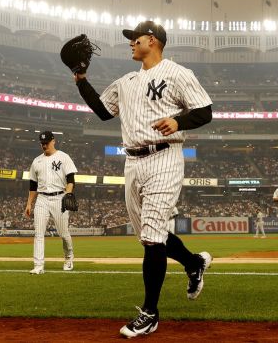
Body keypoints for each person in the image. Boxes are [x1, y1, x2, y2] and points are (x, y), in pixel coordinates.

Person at [73, 20, 214, 338]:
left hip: (165, 158)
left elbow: (204, 111)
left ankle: (150, 313)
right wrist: (81, 80)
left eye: (134, 39)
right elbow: (103, 111)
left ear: (152, 40)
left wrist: (178, 121)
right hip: (132, 163)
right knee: (155, 237)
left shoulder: (178, 73)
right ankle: (193, 263)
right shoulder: (126, 82)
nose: (130, 43)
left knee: (152, 238)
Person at [24, 131, 77, 275]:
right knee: (39, 234)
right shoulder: (37, 161)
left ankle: (68, 257)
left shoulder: (63, 157)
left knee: (63, 233)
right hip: (42, 199)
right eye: (42, 143)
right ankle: (38, 265)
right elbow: (33, 186)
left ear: (53, 141)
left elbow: (71, 179)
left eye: (46, 142)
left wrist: (69, 194)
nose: (44, 145)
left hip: (60, 197)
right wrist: (29, 203)